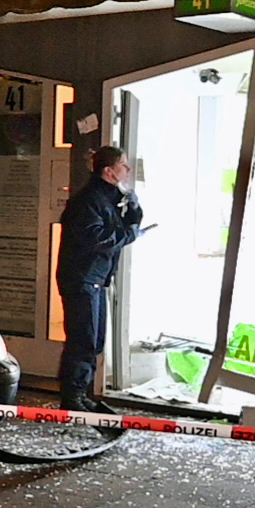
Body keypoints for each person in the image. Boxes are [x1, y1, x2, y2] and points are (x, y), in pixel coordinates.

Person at [55, 145, 143, 411]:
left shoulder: (107, 197)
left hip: (94, 278)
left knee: (94, 339)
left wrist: (134, 212)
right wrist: (131, 233)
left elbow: (116, 226)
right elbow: (99, 239)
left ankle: (80, 395)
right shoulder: (89, 200)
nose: (127, 170)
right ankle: (72, 398)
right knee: (84, 339)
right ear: (109, 171)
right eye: (123, 165)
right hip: (81, 278)